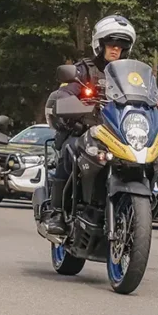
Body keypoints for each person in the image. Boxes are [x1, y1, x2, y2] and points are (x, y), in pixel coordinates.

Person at [41, 15, 137, 235]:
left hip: (118, 136)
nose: (116, 50)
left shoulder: (131, 75)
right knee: (71, 149)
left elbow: (148, 97)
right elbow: (65, 93)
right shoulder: (84, 70)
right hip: (86, 131)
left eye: (121, 46)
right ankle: (57, 212)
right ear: (100, 44)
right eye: (112, 45)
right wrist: (71, 107)